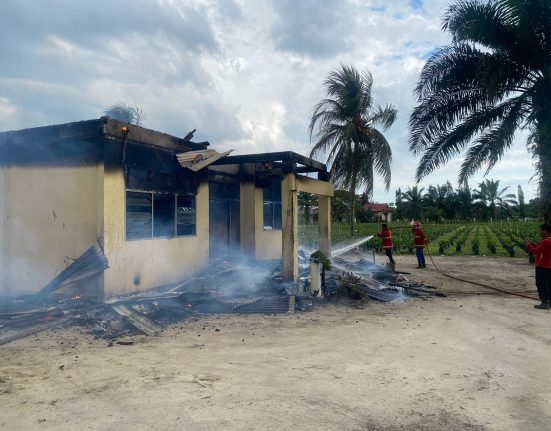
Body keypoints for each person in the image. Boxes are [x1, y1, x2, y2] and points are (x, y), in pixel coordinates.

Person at [525, 224, 551, 310]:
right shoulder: (548, 241)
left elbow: (536, 251)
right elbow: (541, 250)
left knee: (541, 284)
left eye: (541, 230)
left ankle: (544, 303)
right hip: (548, 266)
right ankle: (549, 302)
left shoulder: (546, 241)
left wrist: (528, 245)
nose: (540, 232)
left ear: (545, 231)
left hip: (543, 266)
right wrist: (533, 244)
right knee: (548, 284)